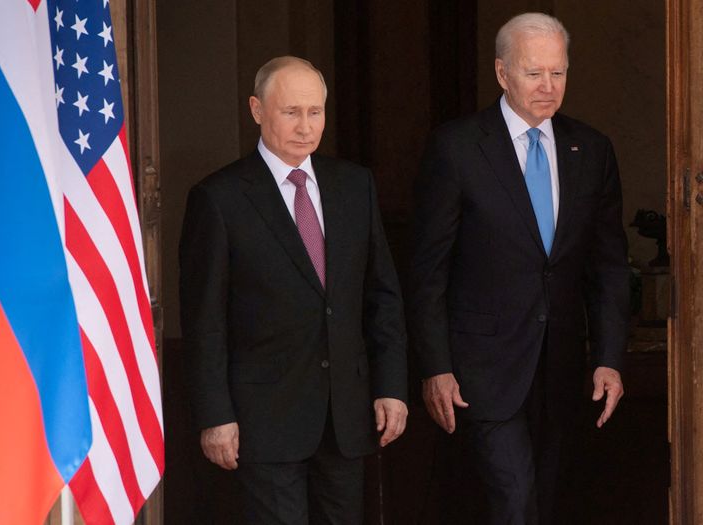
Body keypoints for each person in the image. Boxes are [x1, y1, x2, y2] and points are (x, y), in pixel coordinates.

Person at [409, 13, 630, 524]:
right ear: (502, 73)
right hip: (482, 370)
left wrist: (610, 356)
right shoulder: (457, 147)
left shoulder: (591, 149)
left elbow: (609, 265)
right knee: (514, 501)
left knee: (549, 503)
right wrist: (436, 366)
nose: (549, 87)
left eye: (559, 72)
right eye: (534, 73)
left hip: (564, 369)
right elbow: (428, 270)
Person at [179, 56, 408, 524]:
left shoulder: (353, 185)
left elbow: (381, 295)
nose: (306, 127)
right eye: (290, 112)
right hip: (263, 419)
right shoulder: (219, 198)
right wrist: (214, 414)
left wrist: (391, 386)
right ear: (257, 110)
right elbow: (205, 318)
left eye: (315, 112)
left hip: (346, 416)